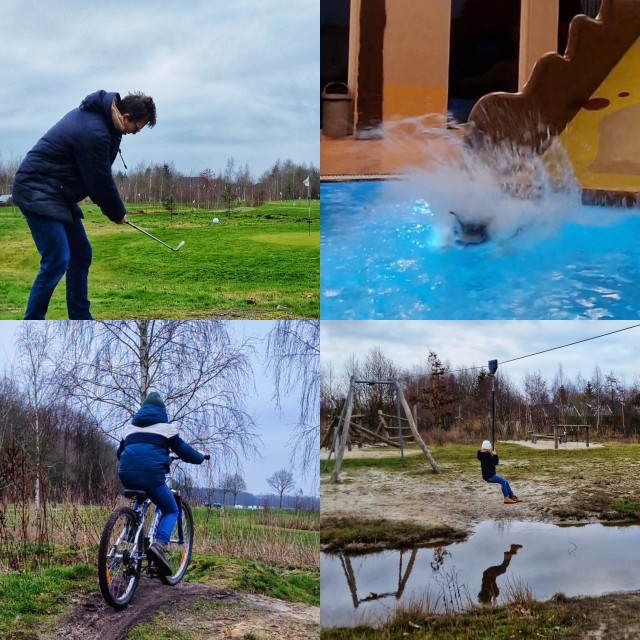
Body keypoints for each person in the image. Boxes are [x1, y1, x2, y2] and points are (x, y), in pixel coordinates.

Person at [12, 90, 156, 320]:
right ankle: (32, 320)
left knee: (80, 254)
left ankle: (80, 318)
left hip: (57, 193)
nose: (134, 133)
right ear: (127, 117)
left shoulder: (106, 123)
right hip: (36, 189)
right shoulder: (96, 131)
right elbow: (98, 179)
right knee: (57, 257)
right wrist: (117, 212)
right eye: (136, 128)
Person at [116, 391, 206, 575]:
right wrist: (200, 457)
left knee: (141, 495)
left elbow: (119, 453)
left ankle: (130, 532)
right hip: (153, 477)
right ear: (161, 411)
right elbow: (184, 452)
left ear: (142, 411)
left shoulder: (129, 429)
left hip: (126, 475)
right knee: (171, 509)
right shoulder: (167, 429)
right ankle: (160, 545)